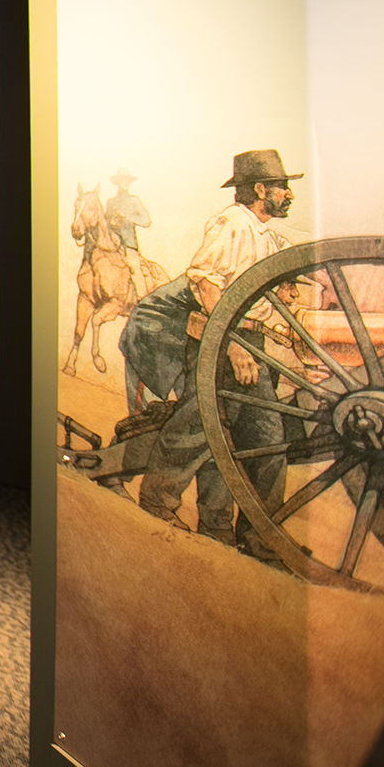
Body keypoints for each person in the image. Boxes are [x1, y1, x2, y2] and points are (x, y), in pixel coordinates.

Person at [132, 149, 305, 556]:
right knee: (199, 429)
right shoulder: (231, 224)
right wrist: (229, 344)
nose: (289, 195)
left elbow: (267, 303)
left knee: (266, 442)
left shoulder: (269, 236)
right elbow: (206, 284)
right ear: (261, 189)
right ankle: (158, 501)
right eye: (283, 187)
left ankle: (254, 534)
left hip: (250, 345)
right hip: (217, 341)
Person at [104, 168, 152, 298]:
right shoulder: (111, 202)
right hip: (112, 244)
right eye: (122, 180)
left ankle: (141, 300)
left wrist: (126, 217)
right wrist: (111, 222)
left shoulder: (134, 200)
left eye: (127, 180)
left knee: (135, 270)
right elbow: (105, 221)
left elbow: (146, 221)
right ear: (118, 183)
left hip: (128, 243)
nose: (125, 183)